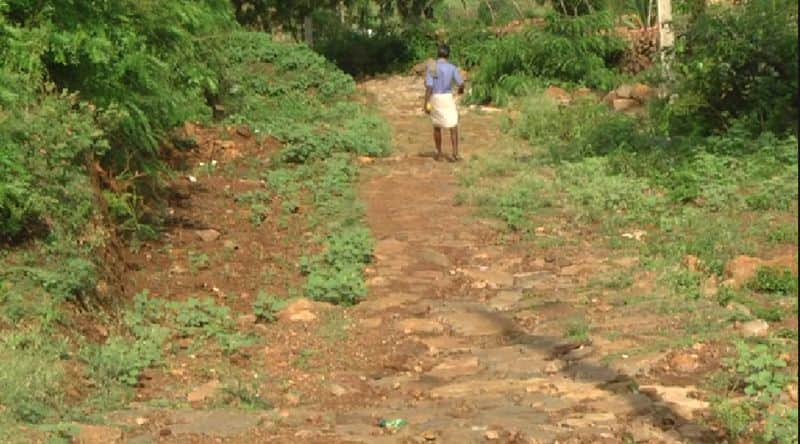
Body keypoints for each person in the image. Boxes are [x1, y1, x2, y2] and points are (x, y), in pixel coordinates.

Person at [424, 44, 465, 162]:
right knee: (453, 125)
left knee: (437, 126)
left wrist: (426, 103)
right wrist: (460, 90)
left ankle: (438, 152)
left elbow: (429, 87)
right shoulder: (452, 68)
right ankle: (455, 153)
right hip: (447, 97)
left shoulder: (433, 66)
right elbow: (461, 83)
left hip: (436, 97)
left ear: (438, 54)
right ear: (448, 54)